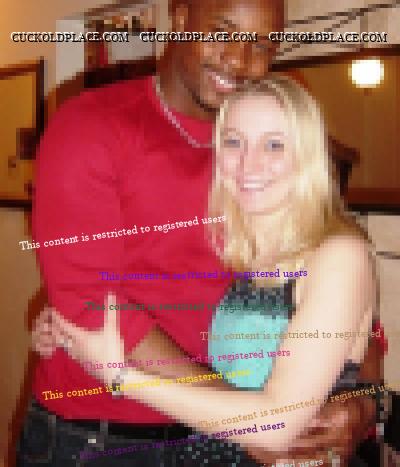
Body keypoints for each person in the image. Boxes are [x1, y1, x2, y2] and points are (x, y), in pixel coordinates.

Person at [20, 0, 380, 465]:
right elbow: (88, 300)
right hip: (99, 437)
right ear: (180, 17)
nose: (239, 60)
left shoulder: (266, 148)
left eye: (262, 45)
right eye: (222, 32)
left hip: (217, 438)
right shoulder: (91, 125)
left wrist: (363, 397)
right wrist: (253, 418)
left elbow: (341, 295)